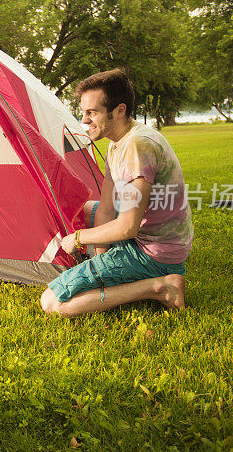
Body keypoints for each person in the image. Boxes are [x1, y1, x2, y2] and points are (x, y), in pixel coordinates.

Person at [40, 69, 193, 318]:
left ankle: (159, 287)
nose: (85, 120)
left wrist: (78, 238)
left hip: (154, 252)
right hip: (148, 233)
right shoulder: (116, 143)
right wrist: (101, 259)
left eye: (92, 112)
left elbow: (128, 227)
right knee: (82, 209)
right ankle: (121, 270)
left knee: (53, 302)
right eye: (84, 112)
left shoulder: (138, 147)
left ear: (119, 110)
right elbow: (108, 207)